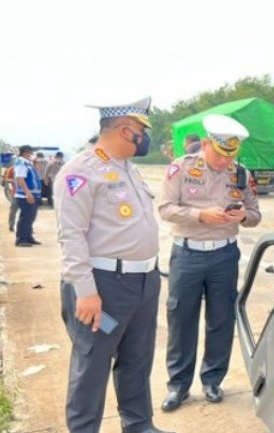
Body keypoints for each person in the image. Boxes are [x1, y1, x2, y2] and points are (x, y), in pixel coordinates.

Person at [54, 97, 173, 433]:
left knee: (137, 359)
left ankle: (138, 425)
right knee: (91, 366)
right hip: (103, 287)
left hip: (143, 283)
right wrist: (86, 293)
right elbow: (71, 237)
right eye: (142, 131)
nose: (145, 138)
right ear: (126, 130)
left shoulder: (128, 168)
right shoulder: (80, 172)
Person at [158, 114, 261, 412]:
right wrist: (201, 215)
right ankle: (178, 386)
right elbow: (165, 209)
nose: (223, 163)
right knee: (181, 321)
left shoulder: (241, 174)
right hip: (187, 254)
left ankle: (213, 380)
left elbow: (255, 215)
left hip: (224, 256)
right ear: (205, 144)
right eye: (218, 155)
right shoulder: (180, 168)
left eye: (229, 157)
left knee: (221, 320)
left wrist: (243, 216)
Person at [14, 145, 42, 246]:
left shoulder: (28, 163)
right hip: (25, 196)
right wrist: (27, 193)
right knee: (26, 218)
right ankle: (21, 239)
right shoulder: (21, 163)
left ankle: (28, 237)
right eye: (30, 152)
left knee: (30, 217)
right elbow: (20, 179)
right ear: (25, 152)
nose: (32, 154)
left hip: (33, 194)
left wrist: (36, 163)